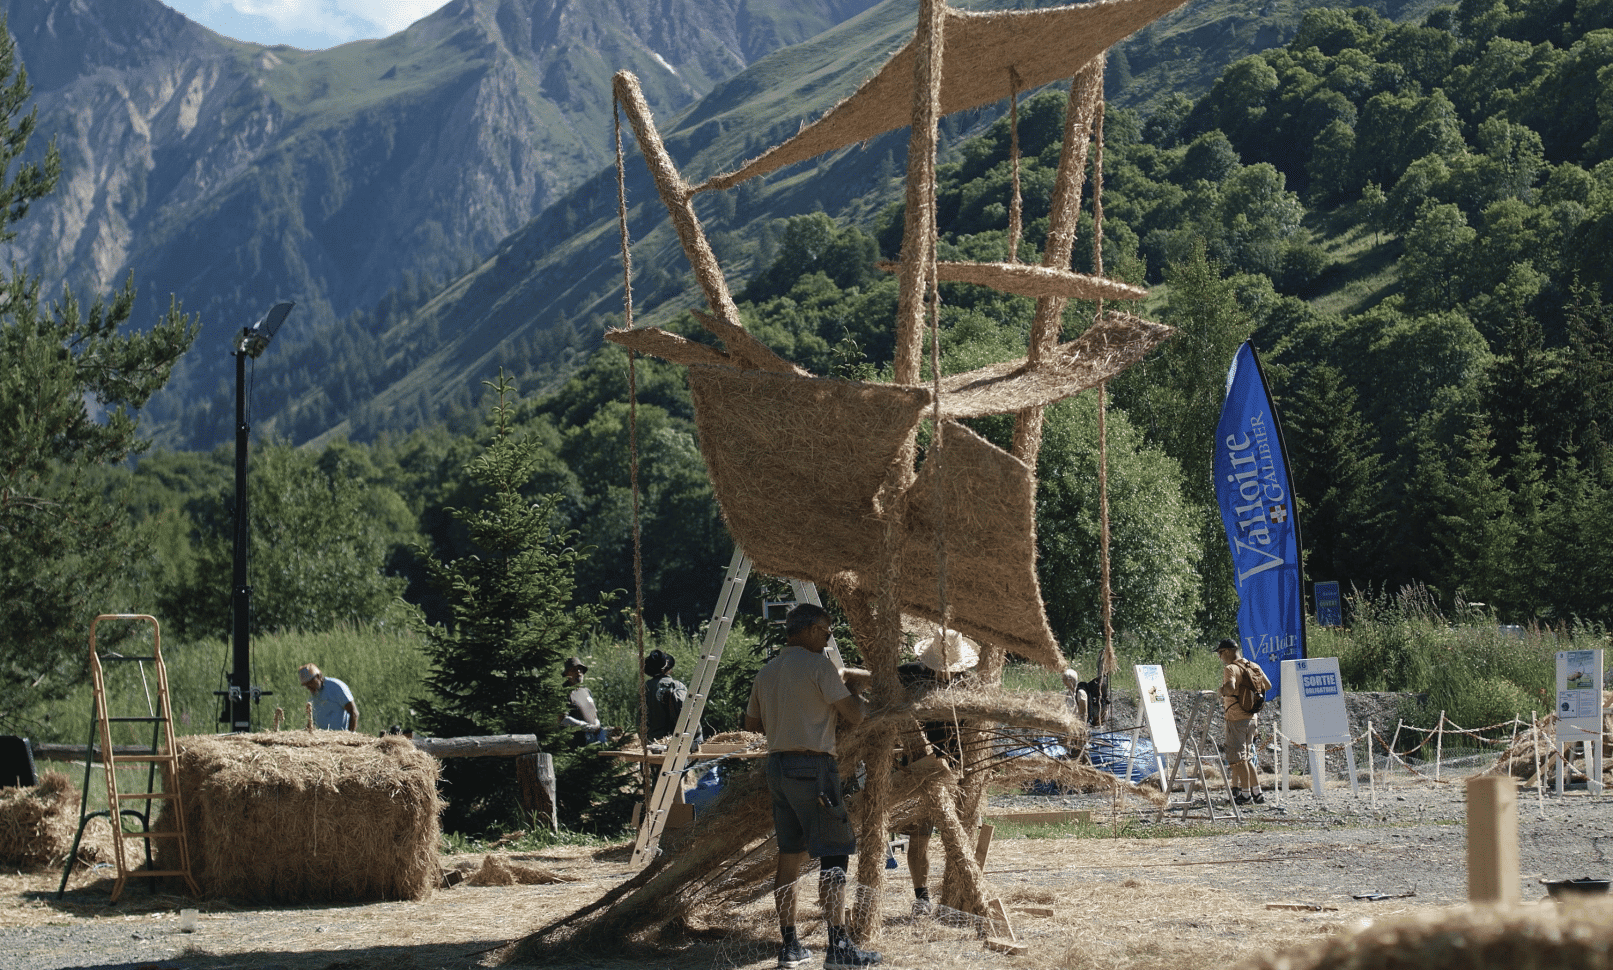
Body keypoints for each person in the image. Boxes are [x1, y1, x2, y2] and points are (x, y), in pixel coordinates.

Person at [745, 603, 882, 969]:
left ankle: (790, 946)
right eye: (825, 630)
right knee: (834, 854)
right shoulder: (819, 666)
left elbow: (752, 722)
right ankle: (838, 948)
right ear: (805, 630)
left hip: (777, 767)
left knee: (789, 855)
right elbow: (854, 716)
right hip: (815, 767)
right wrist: (857, 694)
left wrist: (788, 720)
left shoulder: (767, 671)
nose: (828, 637)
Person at [896, 627, 978, 916]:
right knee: (919, 837)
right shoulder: (908, 677)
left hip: (958, 767)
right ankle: (922, 898)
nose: (945, 674)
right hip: (920, 766)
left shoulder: (968, 683)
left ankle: (958, 897)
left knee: (959, 835)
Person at [1215, 639, 1265, 805]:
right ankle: (1257, 793)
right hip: (1252, 717)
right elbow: (1268, 685)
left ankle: (1245, 795)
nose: (1220, 657)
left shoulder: (1230, 668)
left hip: (1236, 718)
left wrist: (1221, 691)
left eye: (1220, 652)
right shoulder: (1253, 666)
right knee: (1248, 757)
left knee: (1238, 759)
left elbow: (1229, 688)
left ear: (1228, 651)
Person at [643, 649, 701, 751]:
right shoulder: (677, 686)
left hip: (652, 744)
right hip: (675, 743)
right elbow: (689, 713)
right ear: (668, 669)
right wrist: (697, 739)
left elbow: (640, 719)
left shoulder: (645, 688)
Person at [298, 664, 358, 731]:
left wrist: (350, 736)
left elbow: (353, 712)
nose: (308, 687)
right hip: (324, 738)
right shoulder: (313, 694)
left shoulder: (336, 687)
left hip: (341, 737)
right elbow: (313, 721)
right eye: (306, 685)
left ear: (319, 676)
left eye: (310, 682)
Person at [560, 656, 603, 742]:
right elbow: (563, 720)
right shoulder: (563, 692)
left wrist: (597, 724)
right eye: (574, 669)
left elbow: (595, 715)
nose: (578, 672)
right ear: (567, 674)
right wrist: (584, 726)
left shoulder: (586, 691)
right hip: (576, 743)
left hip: (594, 739)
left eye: (580, 669)